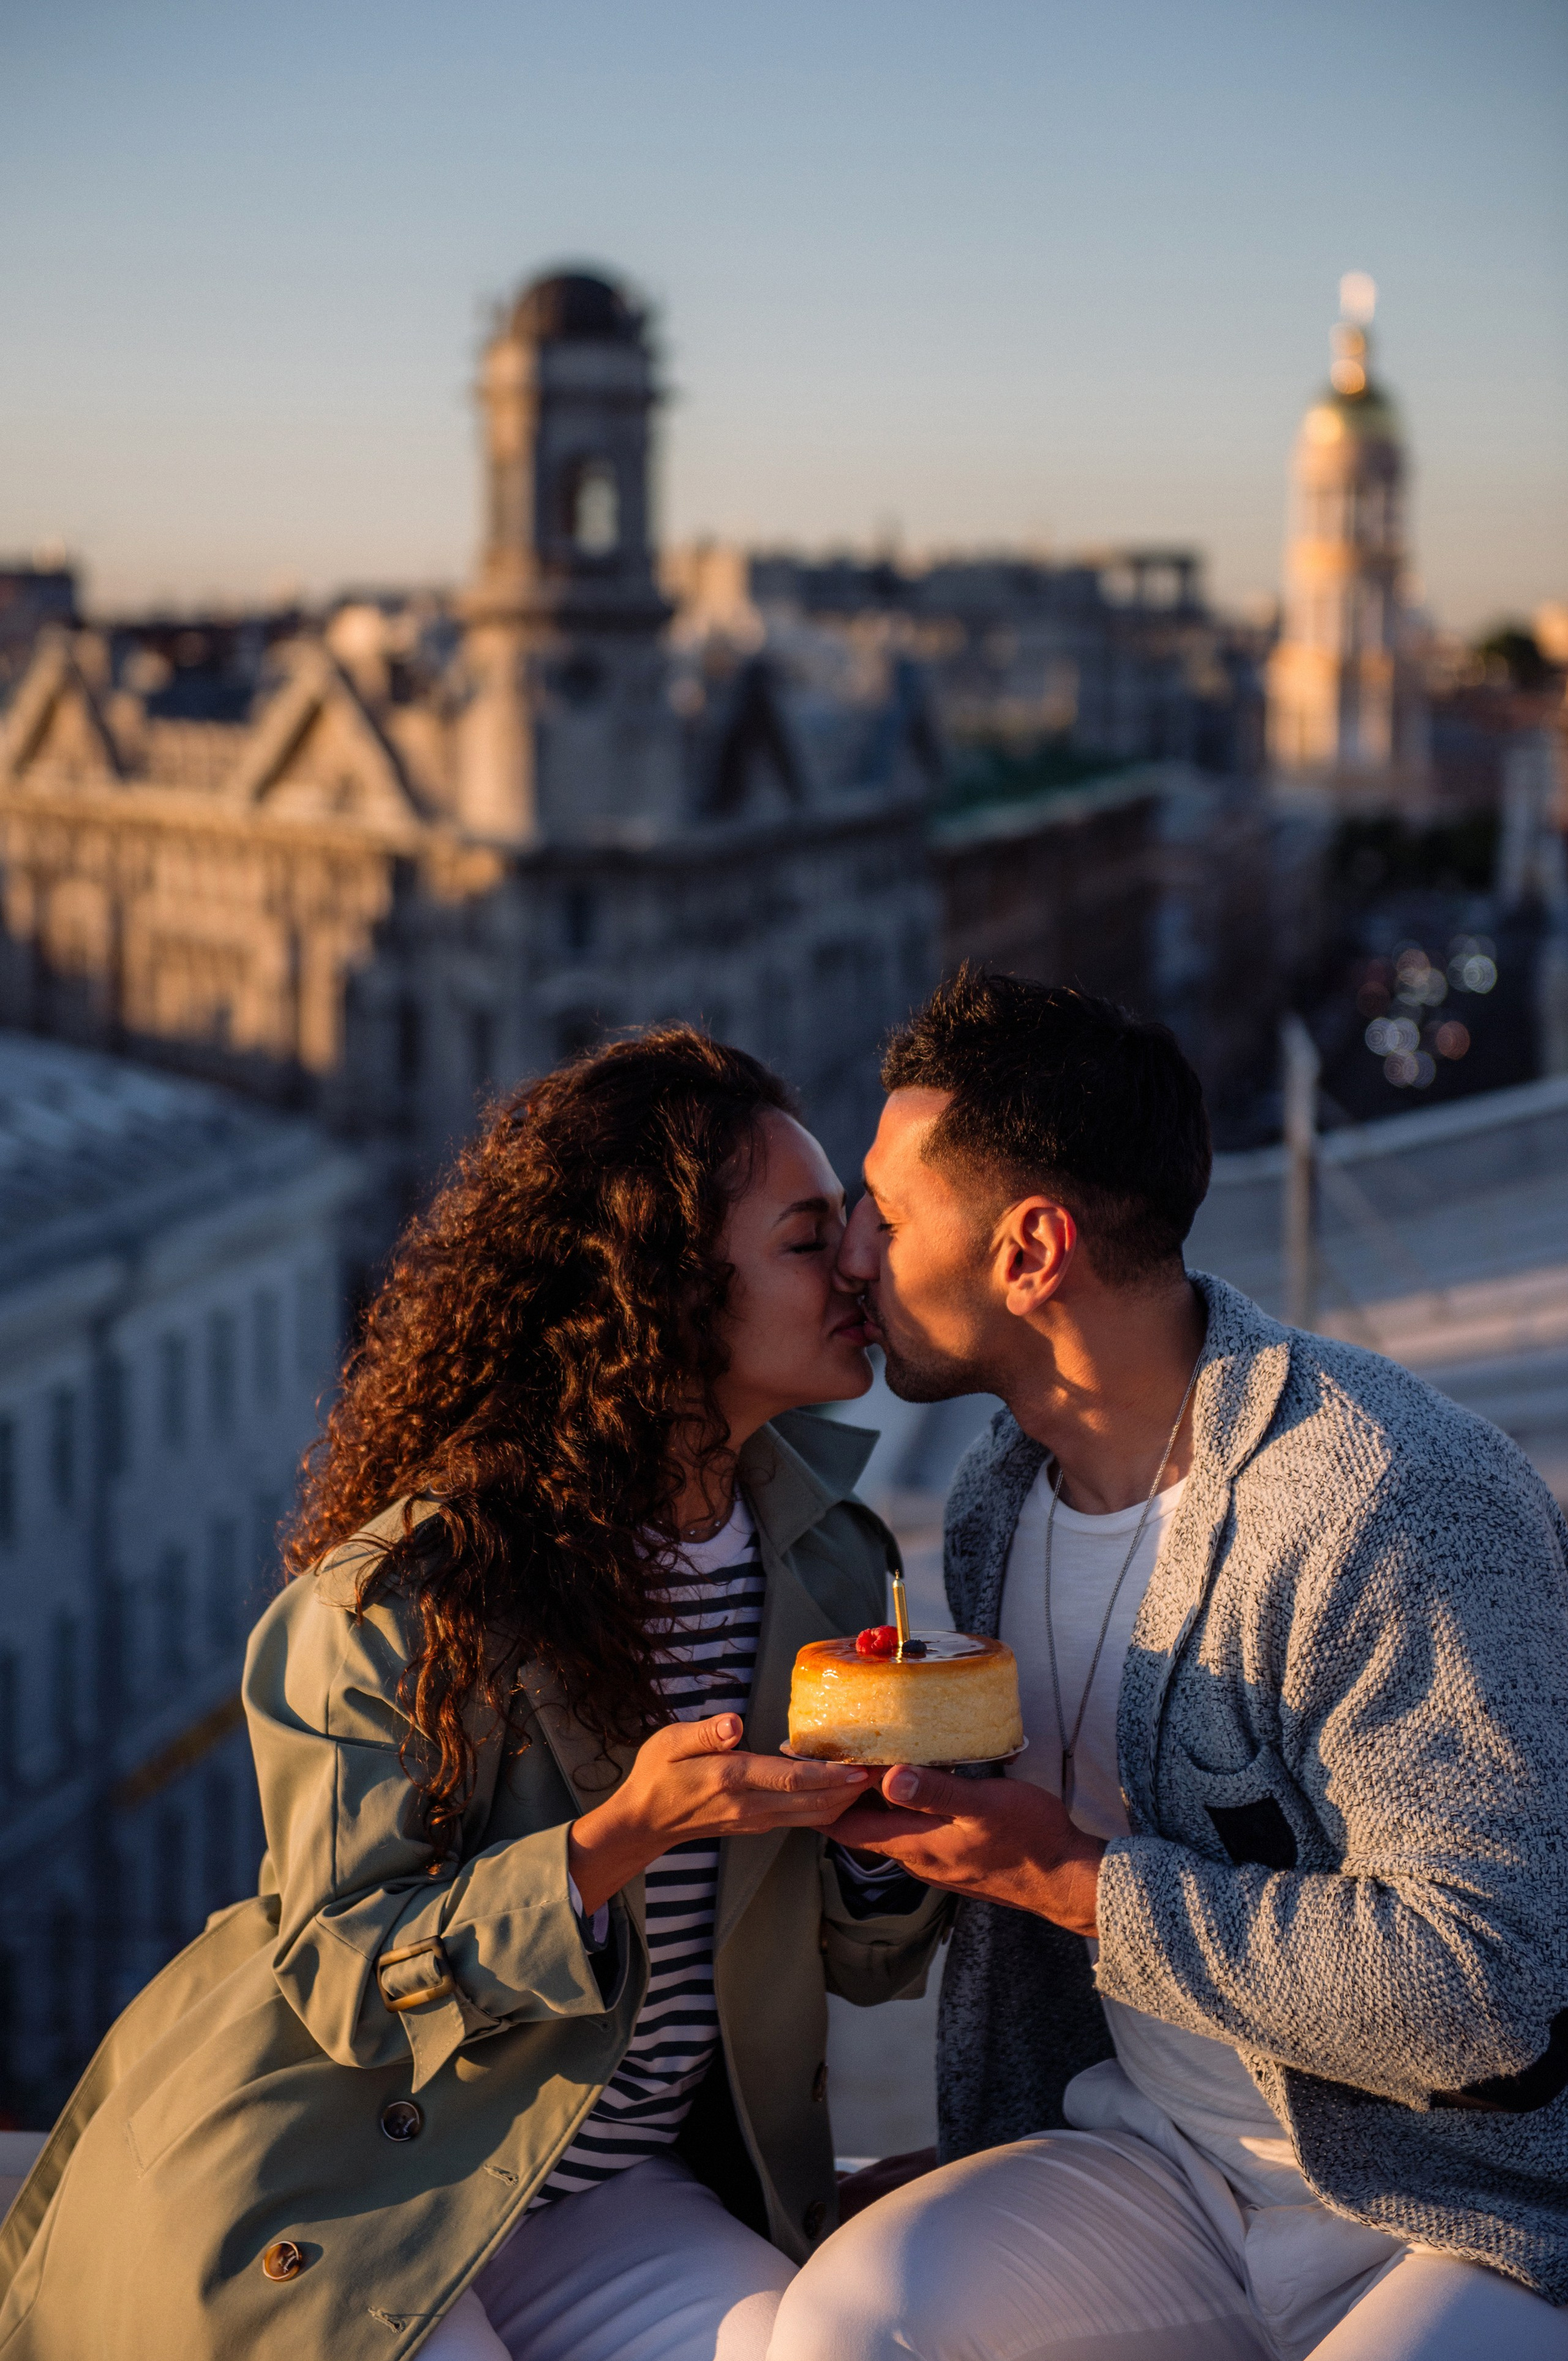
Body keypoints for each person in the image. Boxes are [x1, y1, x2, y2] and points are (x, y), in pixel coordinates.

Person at [0, 1028, 945, 2361]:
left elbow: (858, 1958)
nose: (858, 1267)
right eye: (807, 1238)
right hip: (358, 2179)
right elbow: (344, 1977)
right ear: (662, 1287)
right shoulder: (413, 1587)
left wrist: (889, 1845)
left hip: (609, 2190)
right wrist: (619, 1838)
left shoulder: (832, 1555)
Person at [769, 968, 1568, 2361]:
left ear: (1029, 1250)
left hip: (1456, 2206)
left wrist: (1068, 1876)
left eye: (884, 1216)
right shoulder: (993, 1501)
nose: (849, 1252)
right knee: (849, 2321)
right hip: (1160, 2165)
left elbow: (1483, 1982)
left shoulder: (1390, 1497)